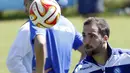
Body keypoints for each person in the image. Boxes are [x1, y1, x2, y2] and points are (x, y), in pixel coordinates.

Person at [6, 0, 85, 73]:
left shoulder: (31, 26)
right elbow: (87, 50)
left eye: (26, 4)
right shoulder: (68, 25)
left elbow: (12, 61)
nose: (25, 9)